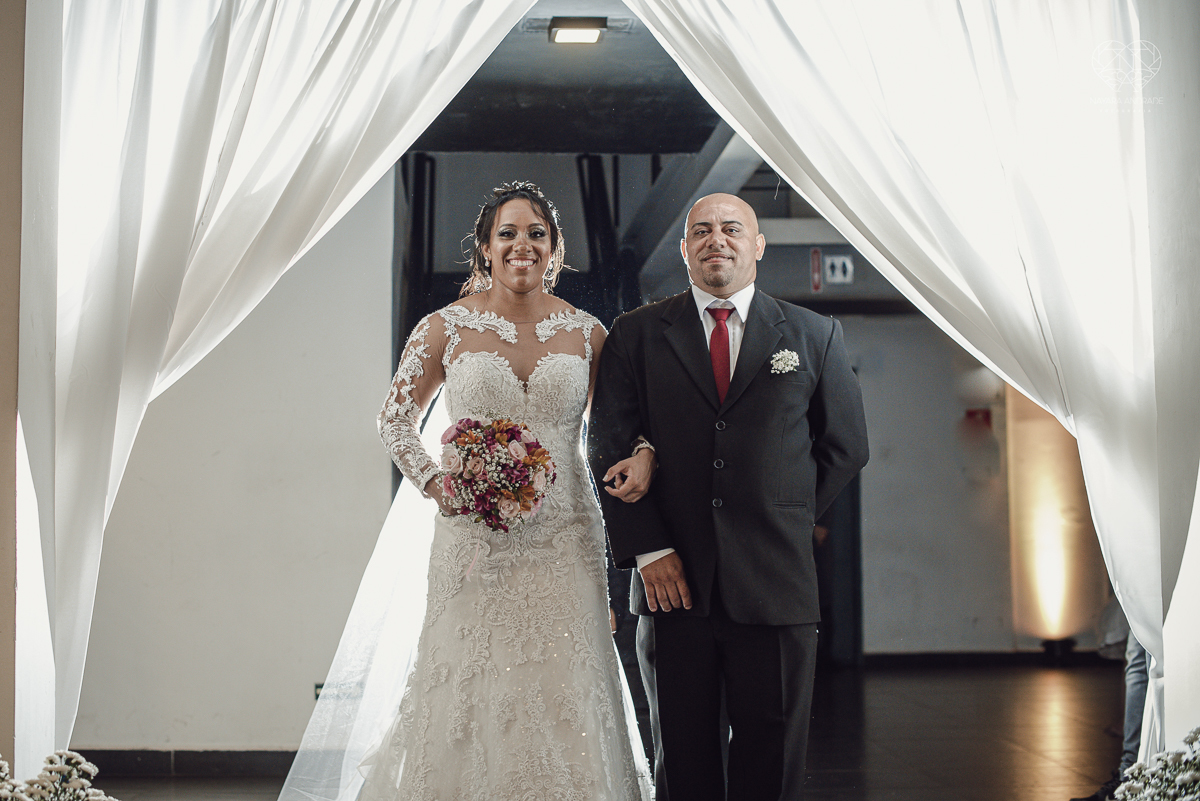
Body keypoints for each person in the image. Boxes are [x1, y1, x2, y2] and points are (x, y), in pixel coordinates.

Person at [365, 181, 651, 800]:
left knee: (563, 678)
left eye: (536, 234)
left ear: (554, 251)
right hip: (473, 537)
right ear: (485, 249)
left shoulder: (587, 333)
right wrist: (438, 483)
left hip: (566, 532)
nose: (522, 244)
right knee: (472, 675)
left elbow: (626, 425)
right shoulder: (444, 328)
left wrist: (646, 452)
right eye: (508, 233)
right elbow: (394, 419)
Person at [588, 193, 870, 800]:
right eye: (703, 230)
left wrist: (784, 520)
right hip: (670, 583)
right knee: (682, 761)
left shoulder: (814, 335)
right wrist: (648, 549)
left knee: (773, 762)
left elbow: (845, 447)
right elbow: (607, 445)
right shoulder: (636, 335)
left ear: (758, 246)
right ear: (685, 248)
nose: (718, 239)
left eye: (732, 229)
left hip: (776, 581)